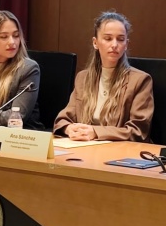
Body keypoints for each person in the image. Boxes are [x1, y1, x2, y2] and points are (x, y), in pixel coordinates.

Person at [54, 11, 153, 141]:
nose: (114, 45)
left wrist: (95, 132)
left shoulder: (140, 80)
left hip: (119, 149)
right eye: (108, 38)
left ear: (126, 44)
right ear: (95, 42)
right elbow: (64, 119)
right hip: (85, 146)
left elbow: (138, 130)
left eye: (120, 39)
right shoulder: (82, 78)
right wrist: (68, 128)